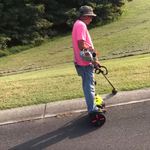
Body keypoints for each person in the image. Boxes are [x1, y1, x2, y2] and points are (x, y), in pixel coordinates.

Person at [72, 5, 106, 115]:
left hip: (81, 61)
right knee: (89, 86)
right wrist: (94, 61)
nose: (91, 19)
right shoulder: (81, 25)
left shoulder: (77, 24)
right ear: (85, 16)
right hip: (85, 62)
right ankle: (92, 109)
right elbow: (81, 46)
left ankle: (93, 105)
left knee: (88, 85)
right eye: (90, 17)